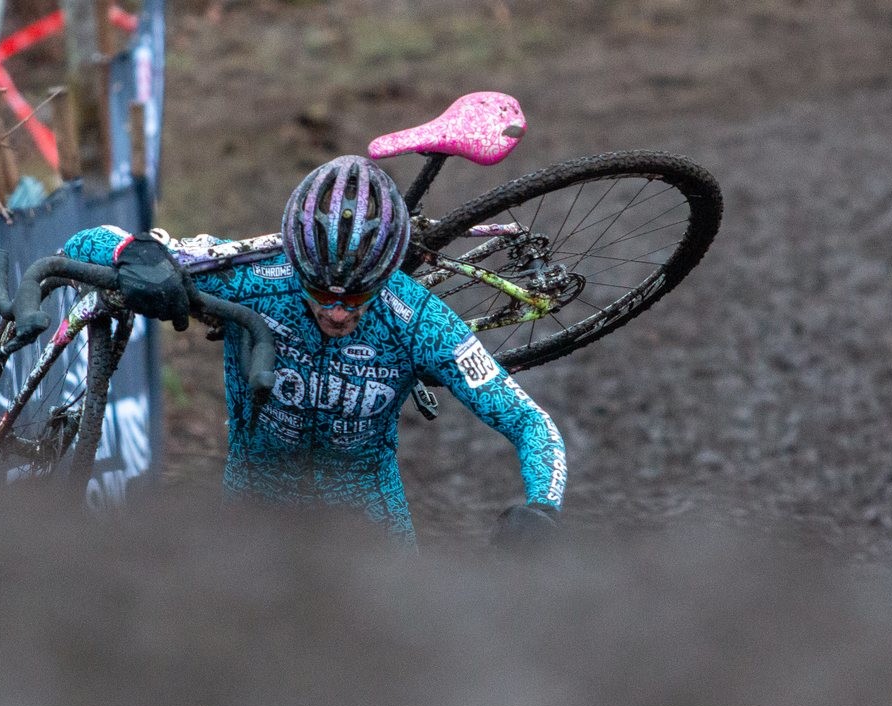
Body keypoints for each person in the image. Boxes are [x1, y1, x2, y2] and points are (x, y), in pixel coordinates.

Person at [63, 155, 566, 545]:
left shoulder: (419, 319)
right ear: (298, 263)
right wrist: (135, 256)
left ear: (387, 274)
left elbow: (530, 422)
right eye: (321, 293)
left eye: (358, 296)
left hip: (367, 528)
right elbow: (83, 243)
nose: (339, 312)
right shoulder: (254, 274)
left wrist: (543, 507)